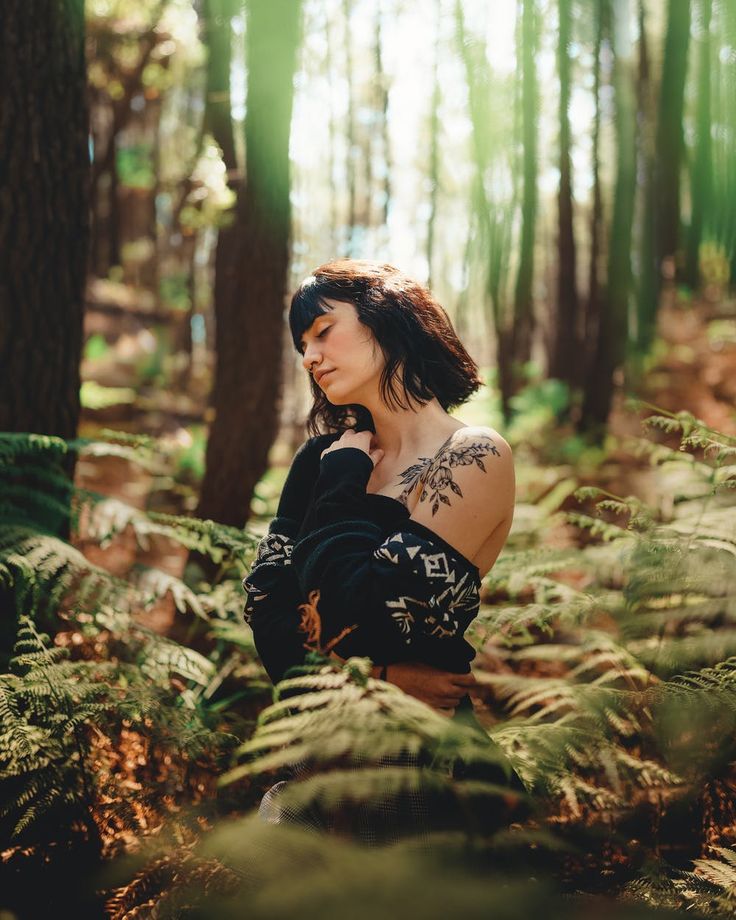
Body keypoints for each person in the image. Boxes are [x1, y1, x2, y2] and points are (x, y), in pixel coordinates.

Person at [242, 259, 523, 839]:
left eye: (323, 331)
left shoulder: (473, 456)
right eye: (302, 344)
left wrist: (342, 488)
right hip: (315, 760)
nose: (309, 357)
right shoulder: (319, 459)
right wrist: (390, 676)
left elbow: (376, 611)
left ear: (389, 320)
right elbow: (266, 613)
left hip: (421, 772)